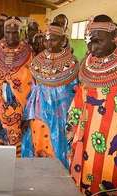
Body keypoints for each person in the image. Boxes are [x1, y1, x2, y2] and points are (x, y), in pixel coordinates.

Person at [68, 15, 117, 196]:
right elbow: (79, 99)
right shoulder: (87, 66)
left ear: (114, 36)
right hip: (89, 138)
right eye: (89, 41)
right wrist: (71, 127)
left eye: (98, 41)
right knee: (89, 178)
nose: (91, 48)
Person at [23, 22, 79, 166]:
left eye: (53, 39)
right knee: (38, 143)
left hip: (60, 114)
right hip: (38, 112)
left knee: (58, 146)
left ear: (63, 40)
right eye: (46, 39)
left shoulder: (72, 62)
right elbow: (33, 89)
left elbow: (74, 92)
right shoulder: (37, 60)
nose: (48, 43)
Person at [0, 16, 33, 157]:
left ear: (21, 32)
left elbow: (30, 82)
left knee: (16, 142)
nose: (11, 36)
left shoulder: (28, 53)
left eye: (14, 32)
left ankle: (16, 169)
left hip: (18, 106)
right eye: (8, 32)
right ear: (4, 32)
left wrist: (12, 82)